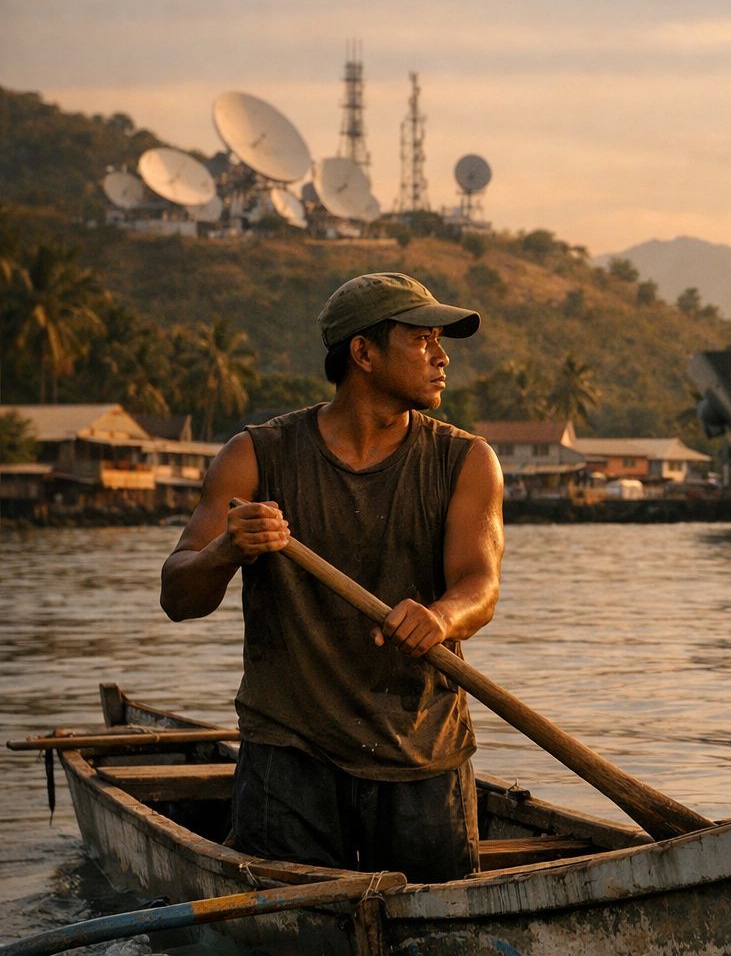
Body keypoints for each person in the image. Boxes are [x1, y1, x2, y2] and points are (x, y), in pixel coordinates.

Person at [160, 272, 505, 883]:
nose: (443, 357)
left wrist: (440, 617)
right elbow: (178, 594)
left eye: (440, 341)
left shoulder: (467, 460)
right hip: (291, 758)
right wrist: (227, 551)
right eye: (422, 339)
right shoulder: (255, 455)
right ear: (363, 353)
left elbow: (480, 586)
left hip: (420, 754)